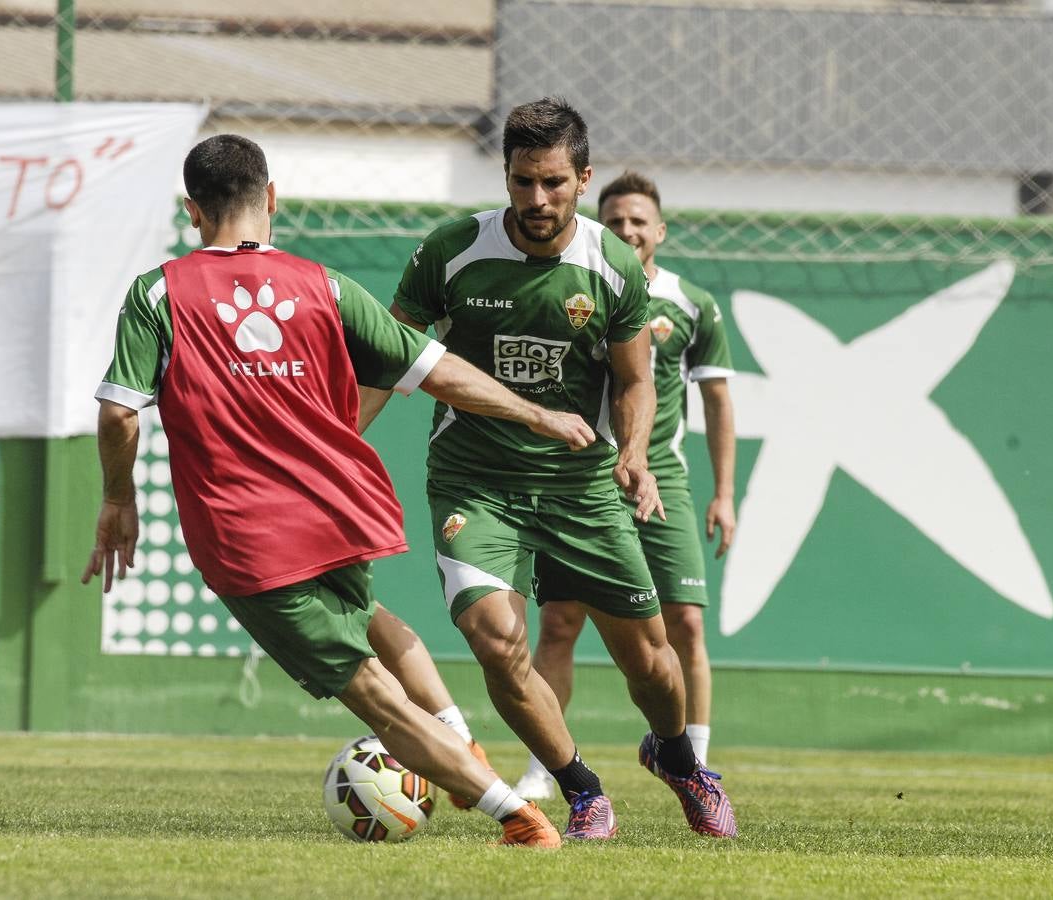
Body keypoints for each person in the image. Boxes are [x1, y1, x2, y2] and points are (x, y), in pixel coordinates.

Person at [81, 133, 605, 848]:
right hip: (333, 509)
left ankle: (516, 816)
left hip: (250, 538)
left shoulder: (159, 293)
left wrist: (118, 499)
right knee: (376, 622)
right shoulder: (324, 286)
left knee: (377, 701)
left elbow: (118, 412)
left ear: (192, 212)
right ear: (271, 200)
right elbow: (436, 369)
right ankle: (460, 740)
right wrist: (536, 412)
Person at [377, 98, 736, 839]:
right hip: (475, 480)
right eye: (520, 183)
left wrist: (633, 455)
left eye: (552, 184)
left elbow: (635, 381)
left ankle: (675, 758)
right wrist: (339, 439)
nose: (535, 201)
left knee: (651, 665)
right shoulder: (450, 252)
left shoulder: (609, 264)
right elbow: (390, 354)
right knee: (493, 636)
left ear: (582, 178)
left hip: (580, 484)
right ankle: (580, 789)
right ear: (504, 176)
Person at [514, 171, 737, 800]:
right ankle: (542, 769)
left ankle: (692, 763)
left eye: (639, 220)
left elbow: (718, 401)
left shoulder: (691, 304)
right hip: (583, 473)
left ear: (659, 231)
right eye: (615, 221)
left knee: (685, 623)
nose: (628, 230)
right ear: (595, 225)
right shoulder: (580, 285)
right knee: (560, 621)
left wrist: (724, 492)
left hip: (661, 474)